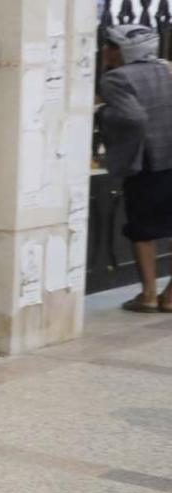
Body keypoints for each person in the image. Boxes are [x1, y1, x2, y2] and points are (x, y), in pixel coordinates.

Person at [99, 22, 172, 313]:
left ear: (124, 51)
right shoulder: (166, 70)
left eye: (111, 46)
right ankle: (170, 297)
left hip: (148, 163)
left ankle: (149, 295)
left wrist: (103, 113)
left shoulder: (116, 79)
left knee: (143, 228)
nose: (105, 51)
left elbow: (133, 119)